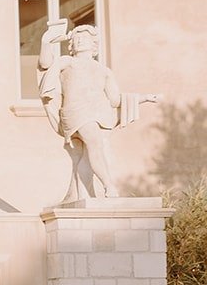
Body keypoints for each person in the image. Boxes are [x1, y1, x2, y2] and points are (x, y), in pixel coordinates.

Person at [38, 24, 158, 203]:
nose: (80, 41)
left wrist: (145, 97)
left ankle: (81, 194)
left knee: (87, 153)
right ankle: (109, 185)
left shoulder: (104, 71)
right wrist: (46, 41)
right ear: (71, 45)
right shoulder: (68, 62)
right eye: (76, 39)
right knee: (95, 142)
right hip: (75, 112)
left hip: (97, 113)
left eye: (84, 38)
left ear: (94, 44)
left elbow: (116, 100)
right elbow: (46, 63)